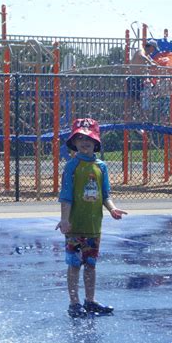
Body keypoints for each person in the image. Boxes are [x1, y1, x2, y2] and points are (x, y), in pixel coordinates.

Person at [55, 118, 128, 318]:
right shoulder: (72, 166)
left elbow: (105, 195)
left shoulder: (101, 166)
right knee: (74, 265)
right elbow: (66, 196)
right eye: (80, 138)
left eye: (89, 138)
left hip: (94, 226)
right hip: (75, 226)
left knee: (91, 265)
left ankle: (89, 300)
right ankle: (74, 302)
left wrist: (112, 209)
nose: (84, 141)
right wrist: (64, 219)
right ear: (74, 142)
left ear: (96, 142)